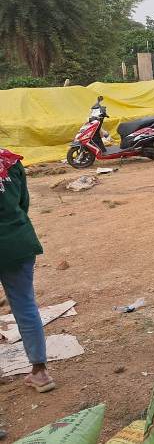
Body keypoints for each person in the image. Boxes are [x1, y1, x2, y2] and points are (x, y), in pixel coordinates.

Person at [0, 148, 55, 393]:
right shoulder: (10, 161)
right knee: (25, 306)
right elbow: (23, 202)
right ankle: (40, 373)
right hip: (19, 241)